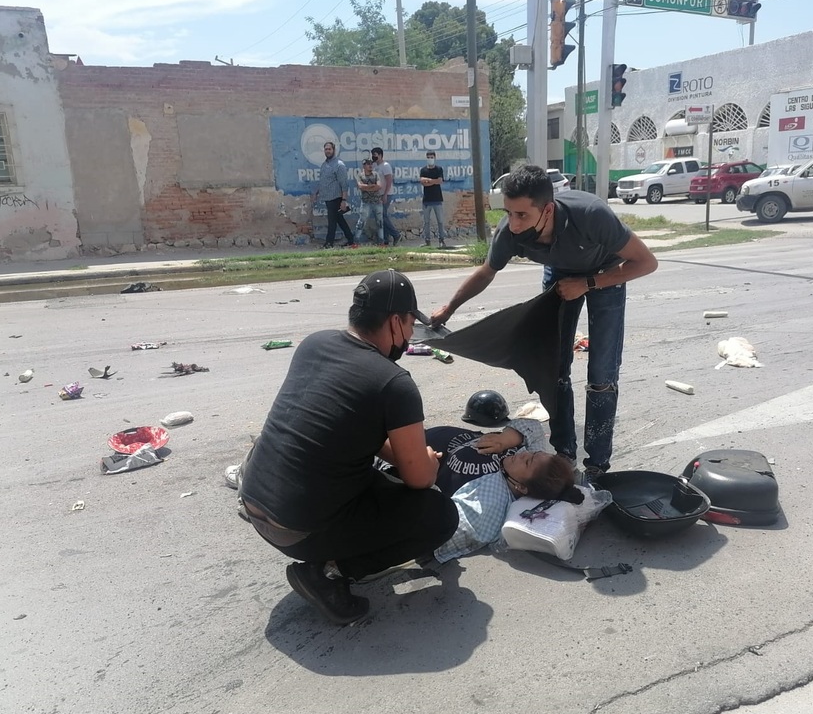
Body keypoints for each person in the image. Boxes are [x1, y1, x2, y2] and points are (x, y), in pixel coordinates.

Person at [239, 269, 458, 625]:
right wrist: (426, 462)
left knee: (377, 477)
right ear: (395, 322)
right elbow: (420, 479)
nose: (409, 333)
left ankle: (328, 555)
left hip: (255, 502)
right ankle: (328, 573)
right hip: (296, 530)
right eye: (408, 323)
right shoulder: (394, 383)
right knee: (439, 515)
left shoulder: (316, 342)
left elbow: (346, 427)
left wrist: (402, 457)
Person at [429, 164, 659, 481]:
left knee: (602, 375)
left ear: (547, 209)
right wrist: (449, 308)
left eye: (522, 214)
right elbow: (486, 272)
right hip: (559, 275)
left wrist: (589, 283)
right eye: (508, 213)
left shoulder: (591, 215)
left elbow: (646, 262)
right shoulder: (510, 232)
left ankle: (597, 466)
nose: (513, 223)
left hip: (605, 273)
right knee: (554, 369)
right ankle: (564, 454)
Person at [422, 418, 583, 563]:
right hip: (423, 436)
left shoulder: (492, 501)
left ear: (522, 487)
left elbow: (441, 529)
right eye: (535, 452)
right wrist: (506, 439)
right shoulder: (528, 459)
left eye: (527, 462)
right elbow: (532, 427)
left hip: (412, 460)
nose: (524, 454)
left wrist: (426, 475)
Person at [313, 141, 357, 248]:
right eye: (326, 149)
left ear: (334, 150)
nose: (327, 151)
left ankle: (329, 244)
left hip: (336, 197)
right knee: (339, 220)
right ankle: (351, 240)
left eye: (329, 149)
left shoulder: (339, 165)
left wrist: (344, 200)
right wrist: (316, 193)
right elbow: (323, 181)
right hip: (327, 197)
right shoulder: (324, 165)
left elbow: (344, 184)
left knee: (332, 221)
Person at [371, 147, 401, 246]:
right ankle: (385, 239)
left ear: (380, 155)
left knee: (382, 216)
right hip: (378, 194)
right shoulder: (375, 166)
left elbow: (389, 181)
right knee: (381, 217)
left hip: (386, 194)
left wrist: (385, 195)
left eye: (375, 155)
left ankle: (396, 235)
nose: (373, 157)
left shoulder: (386, 165)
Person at [419, 150, 448, 248]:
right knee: (426, 222)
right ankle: (427, 241)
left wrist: (429, 181)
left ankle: (441, 241)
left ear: (434, 158)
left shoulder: (439, 169)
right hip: (426, 200)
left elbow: (440, 181)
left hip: (437, 199)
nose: (430, 159)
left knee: (440, 221)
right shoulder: (423, 170)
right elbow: (422, 182)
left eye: (432, 157)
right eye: (428, 157)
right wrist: (433, 181)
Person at [356, 158, 384, 244]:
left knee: (380, 222)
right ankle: (355, 242)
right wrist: (372, 186)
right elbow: (360, 187)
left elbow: (379, 186)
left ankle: (381, 242)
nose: (370, 165)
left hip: (377, 202)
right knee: (361, 222)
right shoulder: (360, 176)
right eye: (368, 164)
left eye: (371, 163)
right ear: (364, 166)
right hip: (366, 202)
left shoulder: (376, 174)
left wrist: (367, 187)